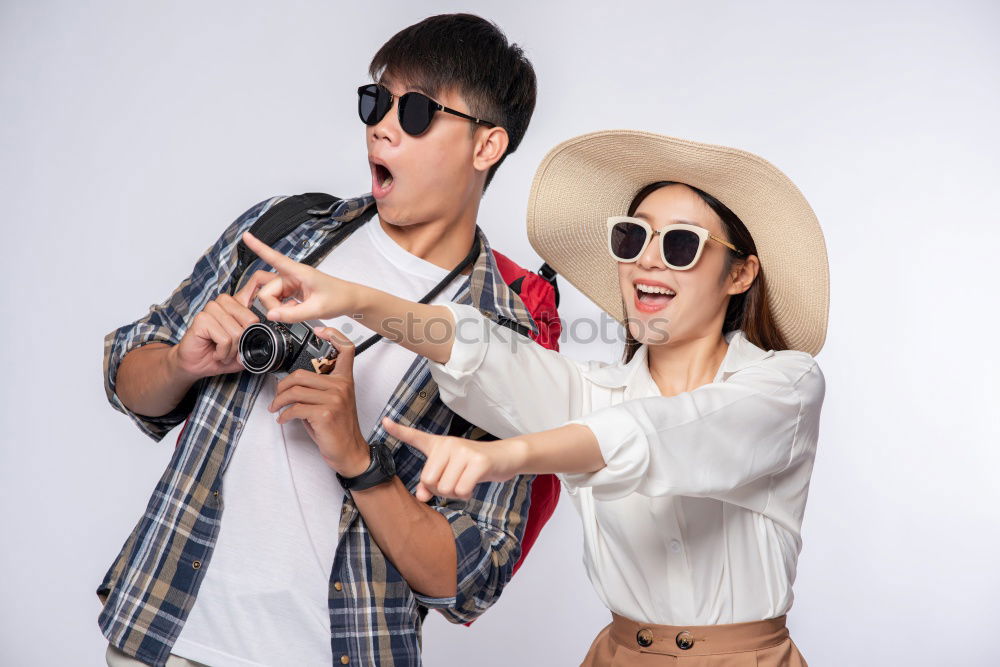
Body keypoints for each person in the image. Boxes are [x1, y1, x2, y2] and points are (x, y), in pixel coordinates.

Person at [240, 129, 830, 666]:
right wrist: (355, 298)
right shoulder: (596, 390)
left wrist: (500, 457)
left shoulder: (787, 385)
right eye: (633, 236)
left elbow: (665, 431)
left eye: (680, 244)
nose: (648, 258)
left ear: (739, 274)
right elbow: (483, 350)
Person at [97, 13, 560, 667]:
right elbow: (126, 376)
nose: (382, 124)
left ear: (486, 147)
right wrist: (179, 362)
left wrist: (354, 454)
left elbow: (469, 579)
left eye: (419, 111)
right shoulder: (283, 231)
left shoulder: (505, 338)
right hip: (161, 633)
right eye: (376, 100)